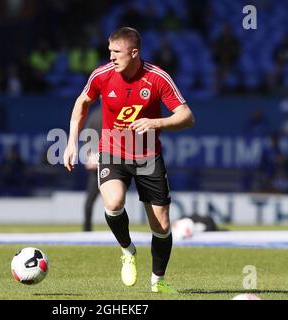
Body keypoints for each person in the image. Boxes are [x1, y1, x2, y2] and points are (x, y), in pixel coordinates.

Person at [63, 27, 194, 293]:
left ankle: (158, 281)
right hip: (112, 150)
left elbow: (187, 116)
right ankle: (127, 249)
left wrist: (156, 122)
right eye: (109, 51)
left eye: (116, 52)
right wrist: (71, 142)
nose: (110, 57)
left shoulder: (158, 78)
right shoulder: (102, 75)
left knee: (162, 225)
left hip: (147, 153)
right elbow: (81, 103)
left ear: (134, 53)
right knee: (113, 202)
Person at [82, 105, 102, 232]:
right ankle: (87, 230)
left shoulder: (95, 115)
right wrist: (90, 156)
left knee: (114, 202)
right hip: (102, 165)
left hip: (114, 163)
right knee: (90, 201)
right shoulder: (96, 116)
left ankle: (87, 230)